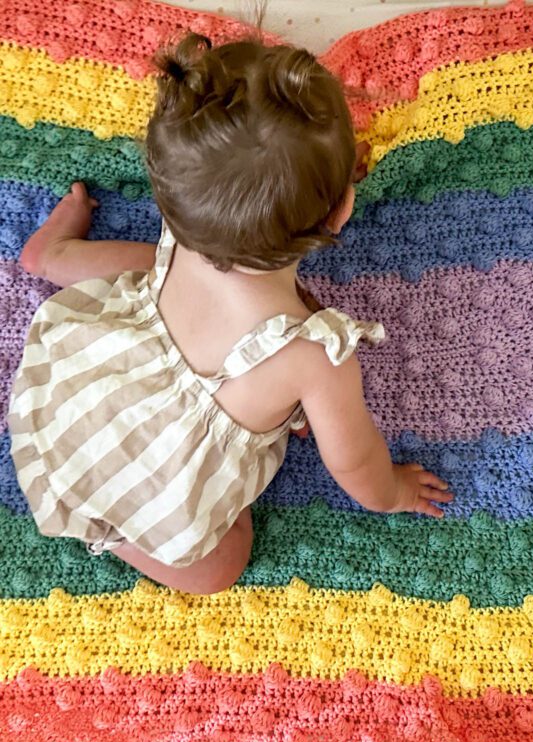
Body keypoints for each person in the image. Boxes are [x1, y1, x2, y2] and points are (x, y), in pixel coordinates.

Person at [6, 32, 452, 595]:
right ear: (340, 211)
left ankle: (54, 255)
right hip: (143, 478)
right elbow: (356, 463)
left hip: (81, 393)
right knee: (222, 564)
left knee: (146, 269)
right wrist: (395, 491)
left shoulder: (196, 214)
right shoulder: (315, 354)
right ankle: (114, 531)